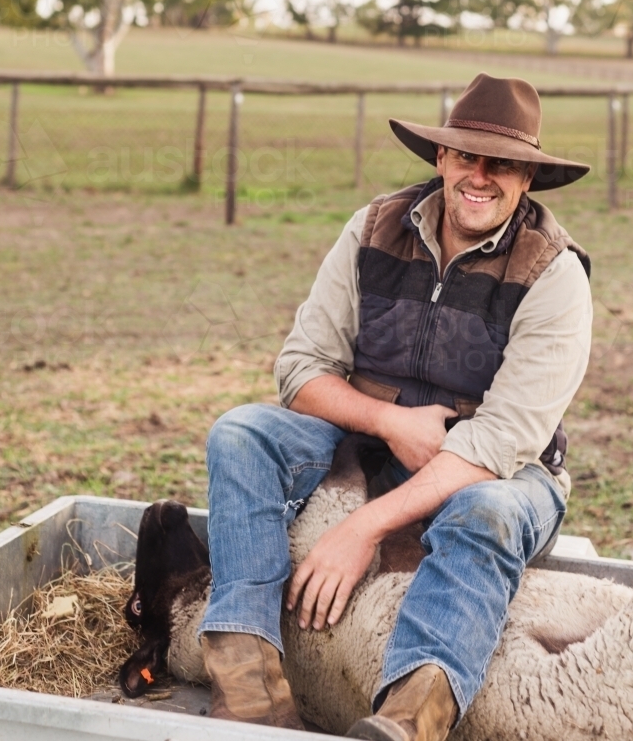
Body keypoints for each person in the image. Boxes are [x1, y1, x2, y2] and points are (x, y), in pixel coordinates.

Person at [197, 73, 593, 741]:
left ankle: (412, 718)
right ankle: (248, 685)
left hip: (501, 475)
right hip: (373, 445)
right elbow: (300, 369)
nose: (479, 175)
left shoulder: (554, 274)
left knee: (487, 511)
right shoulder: (374, 228)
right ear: (439, 157)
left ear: (526, 176)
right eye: (465, 155)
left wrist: (361, 528)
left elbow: (498, 442)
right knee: (242, 432)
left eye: (501, 163)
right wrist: (389, 422)